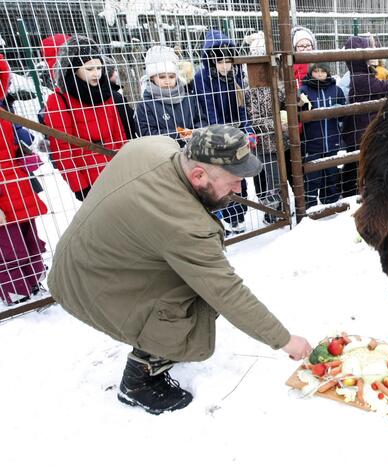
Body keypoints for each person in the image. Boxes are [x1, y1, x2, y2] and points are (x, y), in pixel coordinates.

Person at [47, 124, 313, 415]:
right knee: (196, 297)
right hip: (89, 285)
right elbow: (225, 290)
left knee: (195, 278)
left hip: (87, 258)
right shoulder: (184, 225)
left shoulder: (153, 146)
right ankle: (139, 380)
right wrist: (285, 340)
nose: (239, 189)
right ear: (199, 176)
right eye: (234, 181)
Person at [42, 35, 139, 202]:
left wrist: (126, 168)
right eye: (89, 69)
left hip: (118, 173)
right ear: (73, 69)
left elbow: (120, 135)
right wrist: (80, 186)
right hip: (90, 178)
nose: (96, 74)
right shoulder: (59, 101)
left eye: (99, 68)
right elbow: (62, 150)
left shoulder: (106, 94)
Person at [193, 30, 254, 234]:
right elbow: (207, 108)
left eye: (228, 60)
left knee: (239, 176)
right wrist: (219, 135)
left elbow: (242, 106)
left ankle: (240, 213)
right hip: (217, 136)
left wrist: (247, 128)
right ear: (211, 61)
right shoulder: (203, 79)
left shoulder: (236, 77)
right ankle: (228, 217)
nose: (225, 65)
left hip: (236, 134)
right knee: (220, 178)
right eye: (219, 61)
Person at [0, 53, 49, 305]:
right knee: (8, 244)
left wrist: (22, 138)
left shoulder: (5, 110)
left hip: (17, 183)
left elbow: (22, 138)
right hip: (4, 188)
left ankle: (34, 278)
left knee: (28, 234)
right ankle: (15, 289)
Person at [340, 35, 388, 199]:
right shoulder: (360, 78)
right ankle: (353, 194)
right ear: (360, 57)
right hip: (360, 131)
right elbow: (384, 87)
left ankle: (352, 192)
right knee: (357, 164)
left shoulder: (361, 74)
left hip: (359, 129)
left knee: (356, 163)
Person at [243, 32, 285, 223]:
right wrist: (278, 123)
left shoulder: (278, 84)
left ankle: (283, 209)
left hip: (282, 141)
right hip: (266, 143)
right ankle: (272, 213)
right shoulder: (251, 90)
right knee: (271, 181)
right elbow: (254, 119)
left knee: (282, 178)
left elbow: (286, 104)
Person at [137, 45, 208, 147]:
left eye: (171, 76)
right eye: (162, 77)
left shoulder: (189, 97)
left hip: (194, 148)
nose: (167, 81)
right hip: (163, 152)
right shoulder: (145, 104)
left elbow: (202, 121)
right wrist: (180, 134)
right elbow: (147, 133)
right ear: (152, 77)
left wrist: (193, 133)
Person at [298, 63, 344, 208]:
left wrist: (340, 111)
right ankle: (309, 209)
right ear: (311, 73)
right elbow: (295, 112)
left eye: (323, 71)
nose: (319, 74)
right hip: (312, 143)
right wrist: (299, 104)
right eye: (316, 71)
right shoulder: (304, 90)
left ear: (328, 73)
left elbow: (344, 114)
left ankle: (331, 208)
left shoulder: (336, 90)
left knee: (331, 175)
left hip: (332, 142)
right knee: (313, 178)